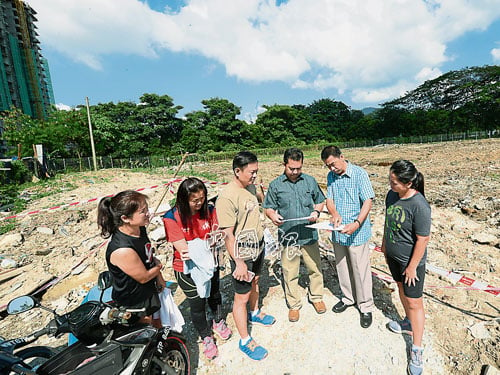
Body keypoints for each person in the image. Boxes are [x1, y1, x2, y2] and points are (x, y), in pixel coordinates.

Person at [162, 177, 232, 360]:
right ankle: (206, 336)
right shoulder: (172, 217)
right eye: (195, 200)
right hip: (187, 268)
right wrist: (198, 247)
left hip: (210, 262)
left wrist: (217, 237)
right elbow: (183, 248)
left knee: (214, 294)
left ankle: (218, 321)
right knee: (197, 303)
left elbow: (218, 232)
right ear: (184, 200)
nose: (200, 203)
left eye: (202, 198)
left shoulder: (209, 209)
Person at [216, 151, 275, 361]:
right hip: (242, 252)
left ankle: (255, 311)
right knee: (240, 296)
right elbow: (227, 235)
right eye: (251, 172)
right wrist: (239, 263)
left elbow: (256, 203)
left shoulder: (249, 187)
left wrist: (261, 193)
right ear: (237, 171)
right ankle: (244, 339)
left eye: (256, 171)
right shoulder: (226, 197)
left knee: (256, 281)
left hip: (257, 246)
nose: (254, 176)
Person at [263, 148, 326, 322]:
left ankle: (317, 297)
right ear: (284, 164)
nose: (295, 172)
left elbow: (320, 200)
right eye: (292, 168)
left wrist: (317, 212)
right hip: (288, 235)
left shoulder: (310, 181)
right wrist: (273, 215)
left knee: (314, 267)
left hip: (308, 233)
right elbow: (268, 207)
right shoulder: (276, 185)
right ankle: (294, 304)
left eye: (298, 168)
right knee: (290, 271)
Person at [382, 160, 431, 375]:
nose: (391, 185)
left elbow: (423, 239)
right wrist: (385, 244)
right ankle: (408, 323)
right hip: (394, 257)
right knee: (401, 290)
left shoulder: (419, 205)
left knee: (414, 302)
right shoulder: (392, 196)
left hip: (411, 263)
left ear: (409, 183)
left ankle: (417, 348)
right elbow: (388, 221)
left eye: (395, 182)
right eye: (390, 180)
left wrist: (412, 267)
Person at [320, 145, 375, 328]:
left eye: (333, 164)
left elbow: (368, 201)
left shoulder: (359, 174)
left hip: (356, 231)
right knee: (342, 266)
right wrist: (334, 213)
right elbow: (330, 199)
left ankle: (365, 305)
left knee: (360, 269)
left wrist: (357, 223)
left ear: (342, 157)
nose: (332, 169)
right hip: (339, 231)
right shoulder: (331, 177)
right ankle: (348, 297)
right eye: (328, 166)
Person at [97, 190, 165, 328]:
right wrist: (158, 267)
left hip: (147, 290)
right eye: (142, 211)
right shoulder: (122, 249)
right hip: (134, 301)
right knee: (146, 331)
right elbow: (144, 277)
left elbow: (147, 256)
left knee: (158, 324)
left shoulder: (140, 229)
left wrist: (159, 277)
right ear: (125, 218)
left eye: (146, 208)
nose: (147, 213)